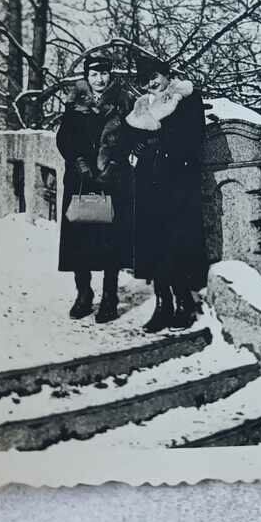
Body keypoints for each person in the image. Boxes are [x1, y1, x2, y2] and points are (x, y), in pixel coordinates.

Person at [126, 55, 208, 332]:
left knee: (178, 242)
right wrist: (137, 149)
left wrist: (162, 145)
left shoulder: (186, 98)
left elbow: (195, 137)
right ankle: (163, 305)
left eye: (155, 76)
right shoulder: (140, 107)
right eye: (144, 79)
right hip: (148, 182)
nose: (151, 83)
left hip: (178, 182)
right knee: (154, 244)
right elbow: (132, 139)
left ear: (166, 74)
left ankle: (184, 302)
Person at [56, 56, 133, 323]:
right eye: (94, 74)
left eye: (104, 74)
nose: (99, 79)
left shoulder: (123, 102)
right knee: (80, 238)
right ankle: (84, 294)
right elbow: (64, 138)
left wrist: (112, 164)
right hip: (80, 179)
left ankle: (110, 297)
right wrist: (80, 163)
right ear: (87, 76)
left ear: (109, 76)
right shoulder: (74, 104)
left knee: (110, 240)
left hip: (113, 179)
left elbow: (131, 137)